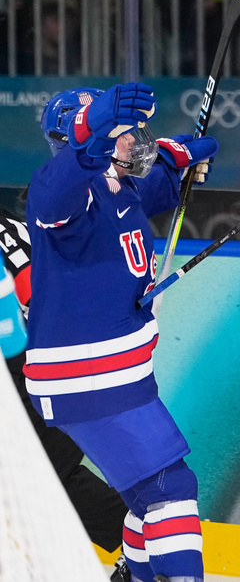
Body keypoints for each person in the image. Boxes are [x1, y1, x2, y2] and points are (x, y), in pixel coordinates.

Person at [26, 83, 218, 582]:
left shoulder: (122, 185)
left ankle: (133, 576)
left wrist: (182, 157)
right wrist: (91, 133)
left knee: (142, 497)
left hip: (119, 378)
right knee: (171, 488)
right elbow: (50, 199)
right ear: (87, 139)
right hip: (88, 378)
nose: (136, 140)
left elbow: (160, 179)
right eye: (124, 132)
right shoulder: (63, 191)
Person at [0, 207, 131, 577]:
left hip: (31, 370)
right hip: (48, 368)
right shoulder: (15, 223)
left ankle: (144, 542)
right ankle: (144, 541)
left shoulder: (10, 230)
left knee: (43, 475)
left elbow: (31, 298)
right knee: (45, 477)